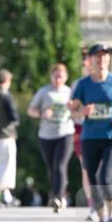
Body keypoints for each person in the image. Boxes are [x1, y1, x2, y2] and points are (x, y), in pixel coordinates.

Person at [69, 44, 112, 222]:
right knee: (94, 180)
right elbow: (73, 111)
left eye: (104, 56)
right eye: (97, 56)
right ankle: (102, 220)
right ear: (91, 60)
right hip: (90, 137)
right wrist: (82, 112)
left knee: (105, 177)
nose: (101, 59)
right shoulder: (83, 84)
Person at [28, 63, 75, 213]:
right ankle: (57, 194)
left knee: (60, 165)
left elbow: (78, 110)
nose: (58, 79)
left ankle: (58, 197)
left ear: (66, 77)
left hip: (65, 133)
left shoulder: (70, 93)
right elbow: (31, 110)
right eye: (55, 76)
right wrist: (42, 114)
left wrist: (74, 108)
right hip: (46, 135)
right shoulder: (44, 92)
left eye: (61, 76)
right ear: (51, 77)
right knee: (51, 168)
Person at [0, 69, 20, 208]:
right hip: (5, 136)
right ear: (7, 81)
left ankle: (7, 197)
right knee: (7, 167)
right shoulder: (5, 96)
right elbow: (14, 117)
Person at [71, 51, 96, 221]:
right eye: (85, 62)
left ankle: (103, 201)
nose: (87, 65)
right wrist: (82, 112)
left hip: (105, 129)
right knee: (87, 169)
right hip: (83, 130)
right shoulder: (77, 84)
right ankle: (92, 204)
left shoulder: (110, 82)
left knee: (102, 170)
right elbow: (73, 113)